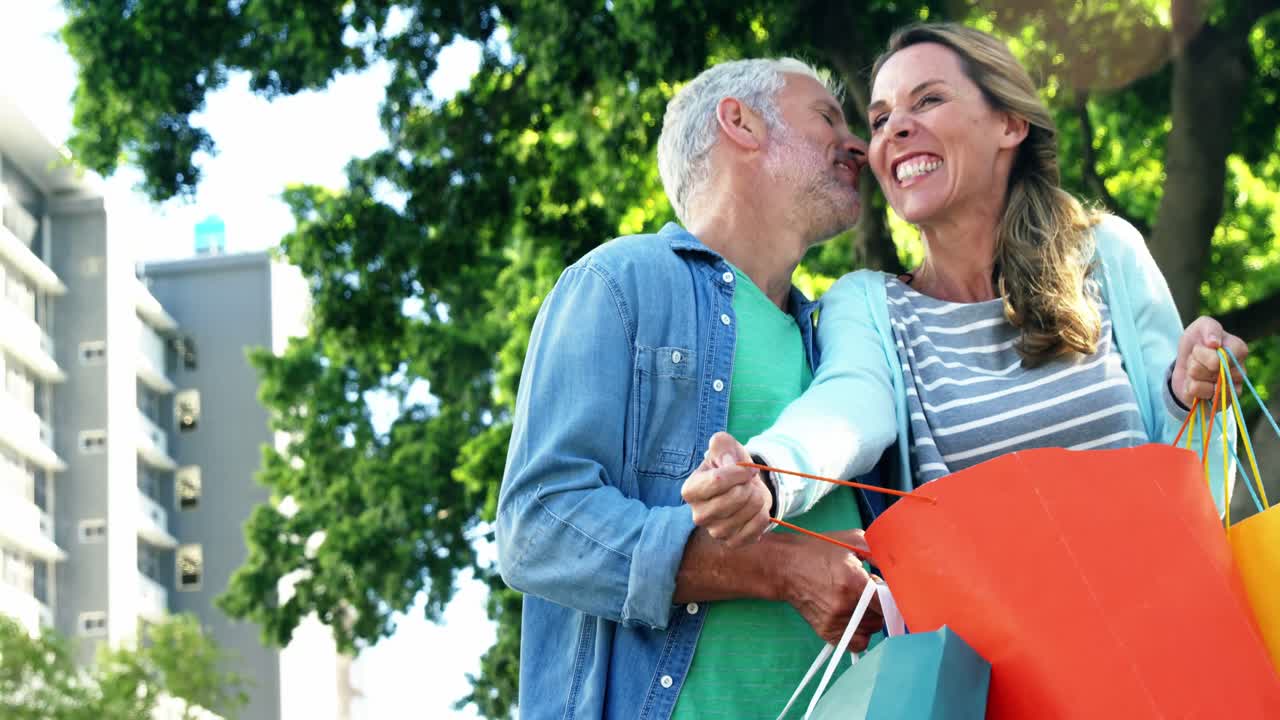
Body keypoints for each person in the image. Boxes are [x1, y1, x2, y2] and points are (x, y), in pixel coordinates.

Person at [683, 22, 1247, 547]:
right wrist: (769, 472)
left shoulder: (1106, 253)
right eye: (880, 120)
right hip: (996, 651)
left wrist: (1191, 390)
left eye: (928, 99)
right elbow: (847, 407)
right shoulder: (867, 303)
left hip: (1158, 618)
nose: (894, 129)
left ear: (1010, 124)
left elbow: (1196, 475)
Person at [496, 58, 886, 720]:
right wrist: (783, 569)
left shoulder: (844, 347)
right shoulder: (620, 283)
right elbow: (540, 527)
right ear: (739, 121)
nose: (860, 144)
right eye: (827, 117)